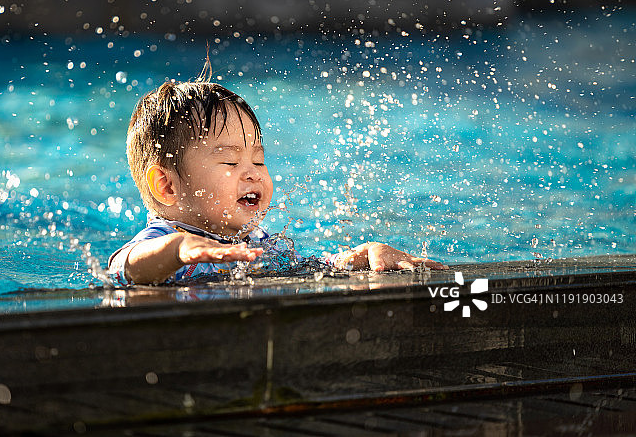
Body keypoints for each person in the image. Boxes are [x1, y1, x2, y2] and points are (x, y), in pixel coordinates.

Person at [108, 66, 447, 285]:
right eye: (230, 162)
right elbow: (123, 267)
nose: (253, 175)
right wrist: (177, 249)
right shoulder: (167, 239)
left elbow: (312, 269)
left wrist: (361, 256)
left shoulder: (257, 243)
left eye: (258, 161)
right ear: (167, 185)